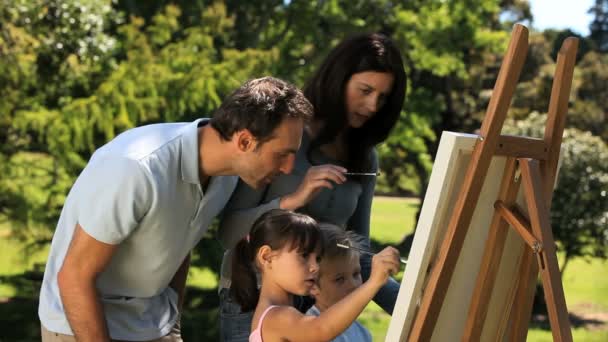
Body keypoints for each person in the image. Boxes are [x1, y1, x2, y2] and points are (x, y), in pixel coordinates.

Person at [37, 76, 313, 342]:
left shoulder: (228, 175)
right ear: (244, 141)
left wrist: (172, 325)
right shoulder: (136, 168)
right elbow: (74, 276)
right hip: (81, 324)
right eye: (282, 154)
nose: (289, 168)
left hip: (151, 325)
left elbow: (179, 245)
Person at [218, 33, 406, 341]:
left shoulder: (365, 156)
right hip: (253, 301)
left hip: (323, 301)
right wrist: (294, 198)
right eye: (365, 90)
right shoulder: (284, 132)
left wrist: (416, 308)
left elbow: (359, 252)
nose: (373, 106)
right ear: (338, 80)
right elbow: (228, 234)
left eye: (383, 97)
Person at [231, 209, 401, 342]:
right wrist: (373, 282)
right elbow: (321, 329)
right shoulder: (275, 317)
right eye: (304, 255)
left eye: (317, 258)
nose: (314, 267)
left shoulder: (286, 313)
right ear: (267, 257)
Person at [307, 223, 372, 342]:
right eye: (339, 279)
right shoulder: (309, 330)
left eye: (356, 274)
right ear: (313, 285)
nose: (353, 285)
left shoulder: (362, 332)